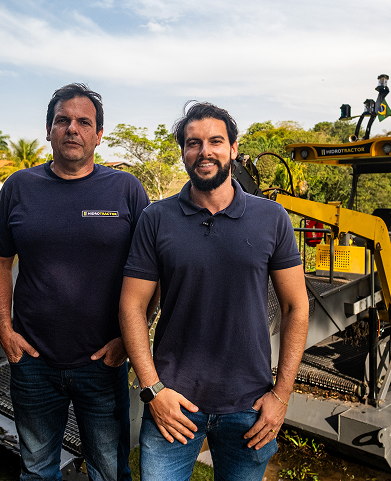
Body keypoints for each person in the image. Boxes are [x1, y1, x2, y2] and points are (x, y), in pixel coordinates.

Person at [119, 102, 310, 480]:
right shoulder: (156, 218)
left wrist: (282, 395)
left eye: (215, 141)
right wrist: (152, 389)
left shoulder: (271, 218)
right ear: (183, 152)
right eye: (193, 143)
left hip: (250, 406)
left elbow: (296, 307)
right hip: (173, 403)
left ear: (234, 149)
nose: (204, 151)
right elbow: (132, 307)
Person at [0, 83, 149, 480]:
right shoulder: (19, 187)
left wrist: (129, 338)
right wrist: (4, 329)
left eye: (84, 122)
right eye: (62, 120)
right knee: (37, 470)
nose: (72, 129)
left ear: (99, 135)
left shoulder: (126, 190)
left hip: (103, 361)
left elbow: (151, 272)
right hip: (33, 361)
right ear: (48, 130)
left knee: (109, 471)